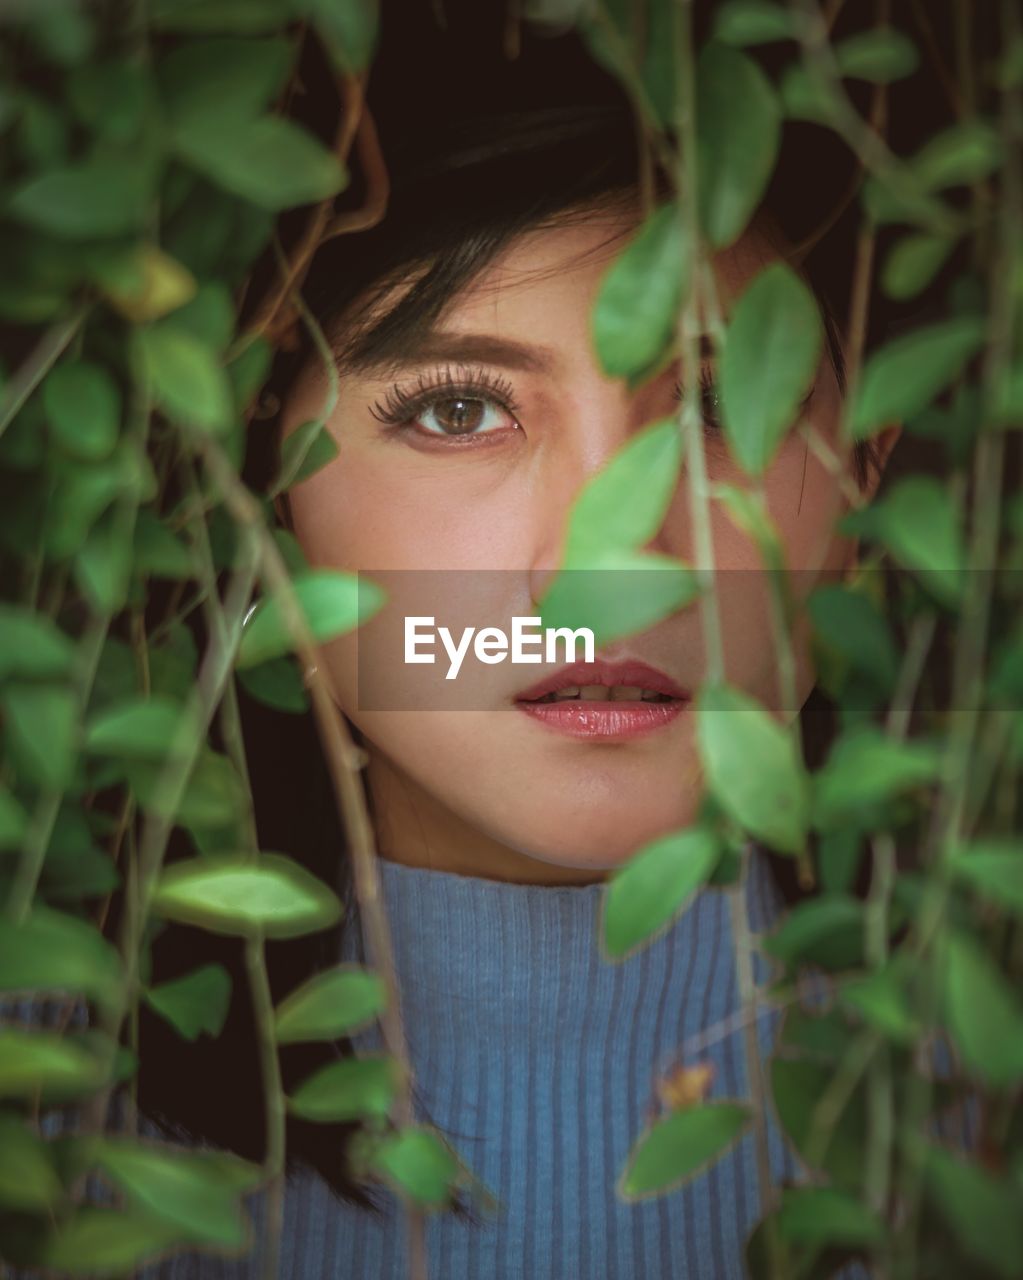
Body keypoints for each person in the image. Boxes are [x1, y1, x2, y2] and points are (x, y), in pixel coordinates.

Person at [131, 11, 907, 1280]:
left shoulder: (974, 1115)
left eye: (714, 402)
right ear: (261, 484)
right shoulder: (48, 1125)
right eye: (459, 407)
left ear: (869, 465)